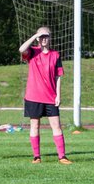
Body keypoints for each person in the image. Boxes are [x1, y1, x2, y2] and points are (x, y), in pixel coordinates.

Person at [19, 26, 70, 164]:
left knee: (56, 126)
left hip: (50, 97)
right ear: (37, 38)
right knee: (34, 126)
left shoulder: (55, 55)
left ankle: (62, 156)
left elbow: (58, 76)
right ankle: (36, 156)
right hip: (33, 97)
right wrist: (34, 36)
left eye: (46, 36)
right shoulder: (32, 52)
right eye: (41, 36)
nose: (43, 39)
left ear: (50, 38)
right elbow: (21, 49)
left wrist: (58, 95)